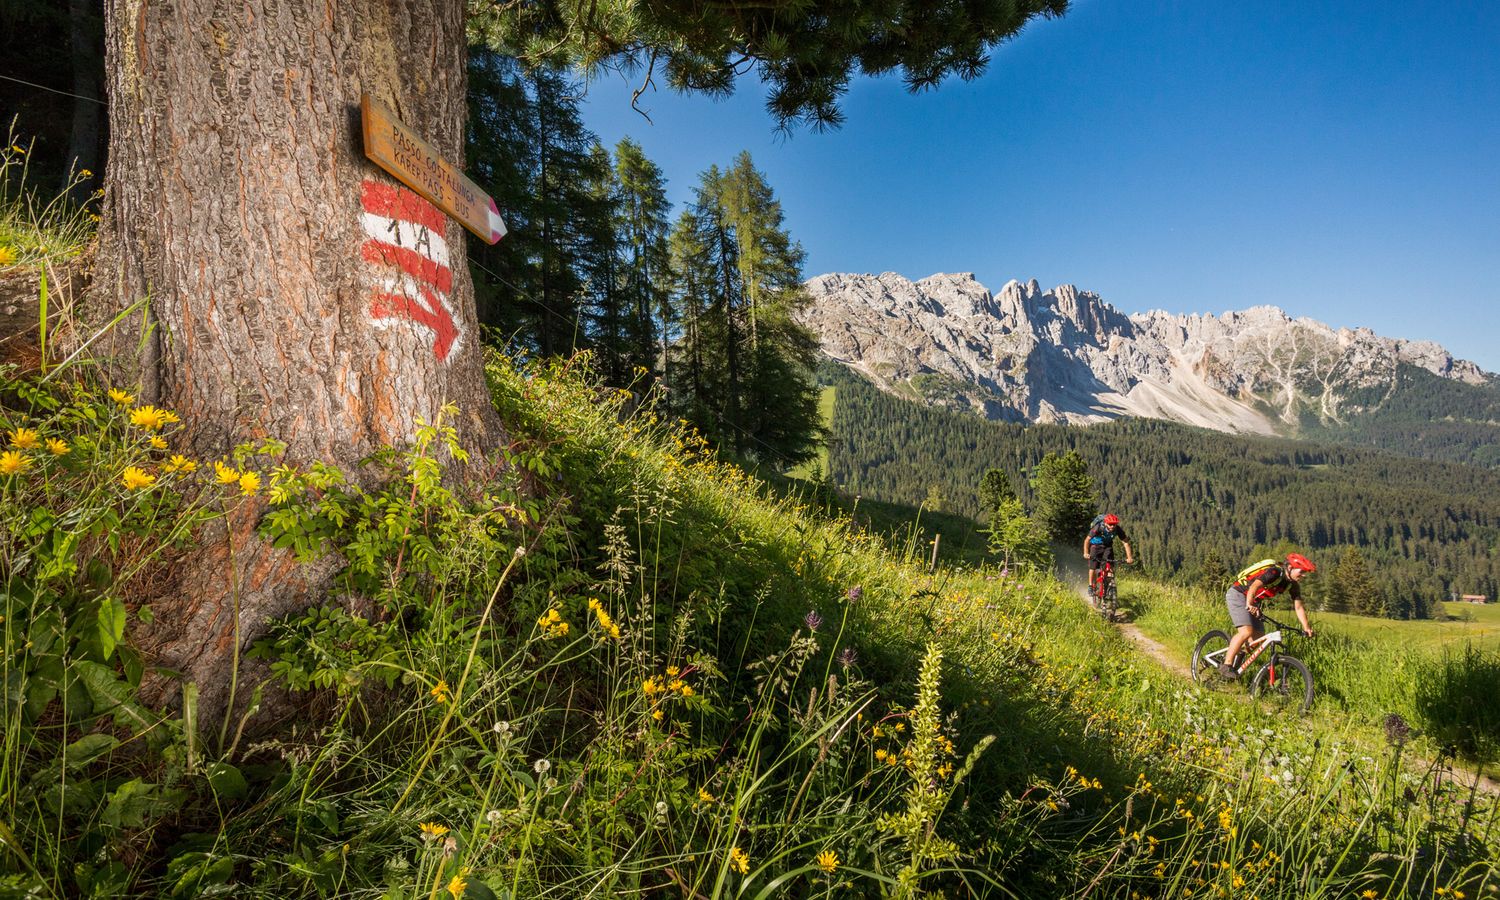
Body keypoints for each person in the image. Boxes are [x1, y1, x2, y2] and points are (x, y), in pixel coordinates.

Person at [1219, 553, 1316, 679]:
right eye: (1301, 572)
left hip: (1253, 601)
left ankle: (1236, 657)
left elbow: (1298, 607)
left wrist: (1306, 627)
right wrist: (1249, 603)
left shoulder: (1293, 585)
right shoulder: (1275, 572)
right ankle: (1226, 665)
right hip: (1239, 594)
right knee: (1246, 631)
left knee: (1258, 637)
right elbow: (1254, 586)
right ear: (1291, 568)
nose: (1303, 576)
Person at [1083, 513, 1134, 593]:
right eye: (1110, 524)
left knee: (1110, 566)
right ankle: (1090, 586)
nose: (1112, 526)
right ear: (1106, 523)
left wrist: (1129, 557)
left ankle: (1109, 587)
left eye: (1114, 524)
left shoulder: (1117, 529)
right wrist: (1086, 553)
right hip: (1095, 546)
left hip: (1107, 546)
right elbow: (1087, 540)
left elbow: (1126, 543)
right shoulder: (1099, 527)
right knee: (1093, 567)